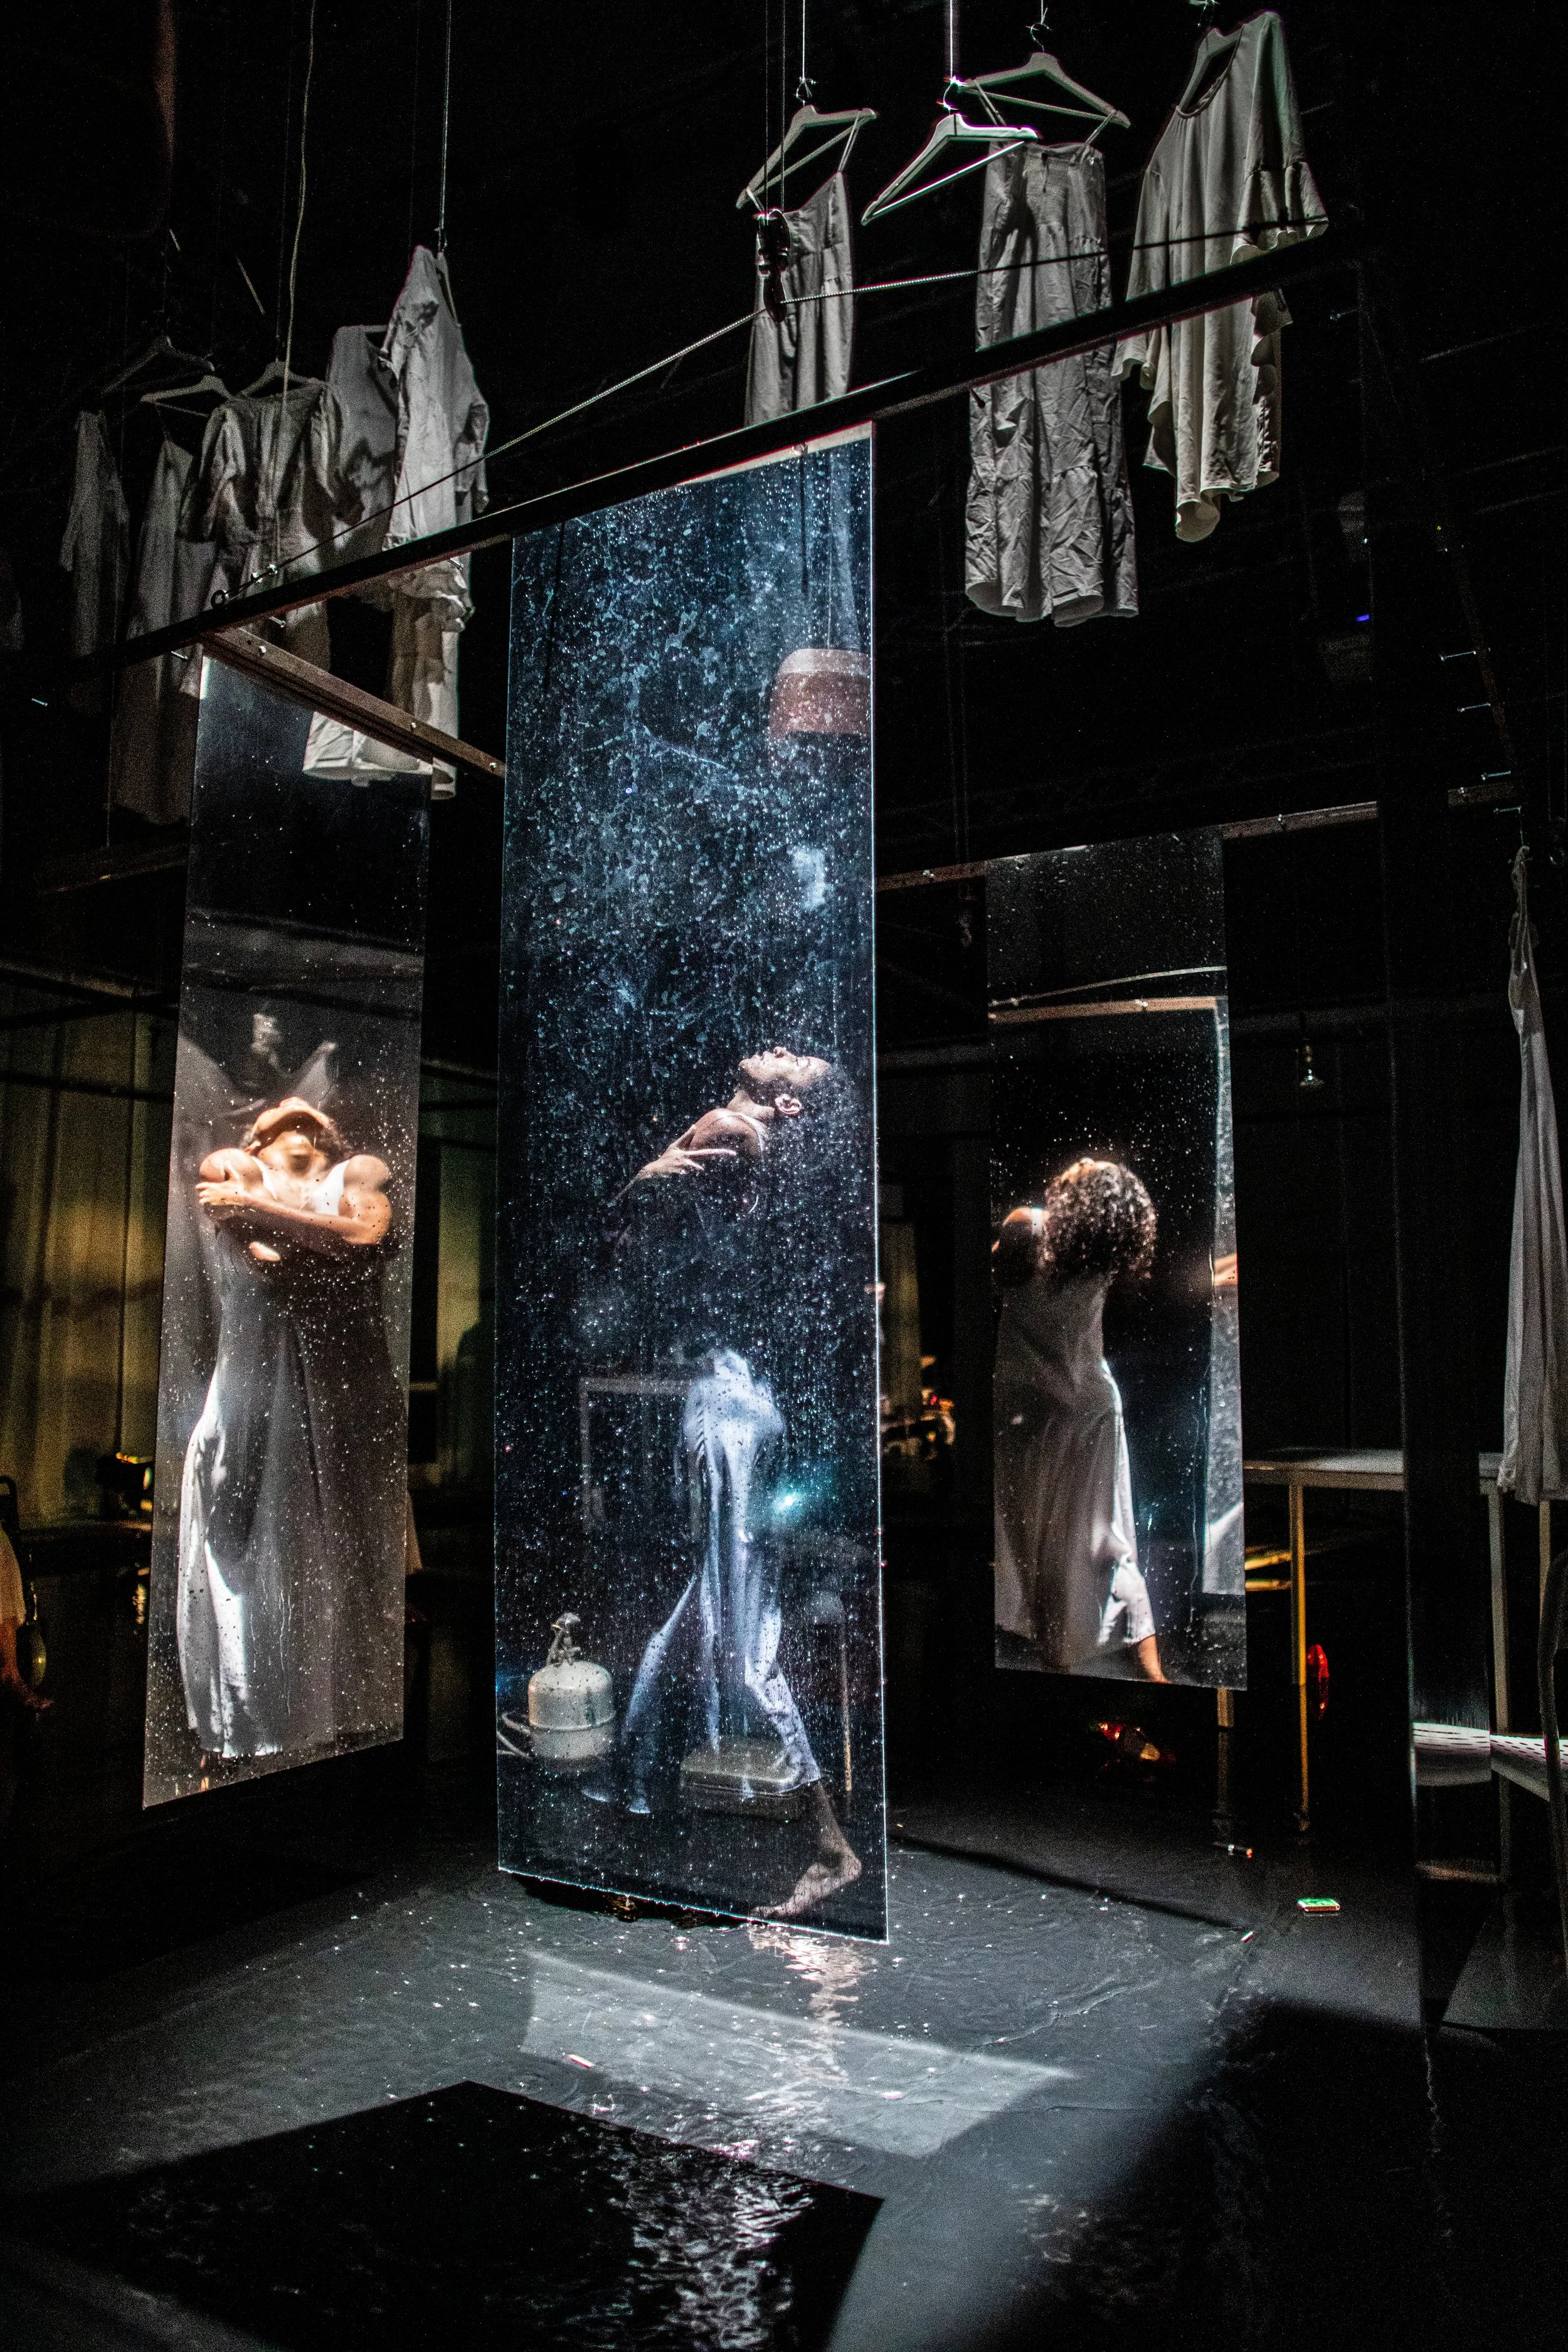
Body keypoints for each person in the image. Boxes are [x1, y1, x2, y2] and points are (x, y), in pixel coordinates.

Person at [600, 1047, 864, 1920]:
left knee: (741, 1637)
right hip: (733, 1397)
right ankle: (636, 1803)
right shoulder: (755, 1151)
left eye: (797, 1063)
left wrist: (642, 1177)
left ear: (786, 1104)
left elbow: (626, 1227)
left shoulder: (731, 1128)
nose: (782, 1047)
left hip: (727, 1404)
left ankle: (826, 1842)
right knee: (689, 1624)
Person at [176, 1096, 407, 1762]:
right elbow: (271, 1261)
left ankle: (347, 1714)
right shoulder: (231, 1167)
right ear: (255, 1138)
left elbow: (365, 1236)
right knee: (252, 1539)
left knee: (342, 1544)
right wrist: (321, 1237)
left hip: (340, 1393)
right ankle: (257, 1717)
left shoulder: (360, 1171)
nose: (294, 1107)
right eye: (277, 1114)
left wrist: (269, 1216)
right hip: (260, 1385)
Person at [993, 1158, 1167, 1682]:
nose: (1084, 1159)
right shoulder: (1102, 1249)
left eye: (1090, 1167)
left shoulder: (1028, 1224)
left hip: (1031, 1412)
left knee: (1037, 1547)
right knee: (1108, 1542)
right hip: (1089, 1405)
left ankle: (1058, 1663)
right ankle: (1153, 1672)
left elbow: (996, 1275)